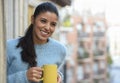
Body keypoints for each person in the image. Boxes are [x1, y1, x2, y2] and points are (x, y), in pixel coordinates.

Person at [7, 2, 67, 83]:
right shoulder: (9, 47)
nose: (47, 27)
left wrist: (59, 76)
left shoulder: (60, 50)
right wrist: (24, 77)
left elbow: (55, 74)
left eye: (53, 24)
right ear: (33, 19)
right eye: (43, 21)